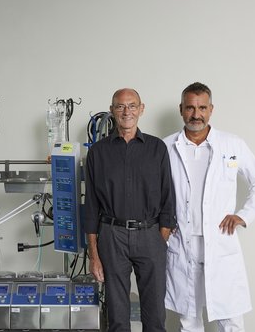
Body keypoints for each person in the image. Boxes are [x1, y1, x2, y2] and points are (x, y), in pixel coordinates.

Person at [164, 82, 255, 332]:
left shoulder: (232, 144)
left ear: (211, 109)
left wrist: (243, 216)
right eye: (190, 108)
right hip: (182, 243)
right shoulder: (166, 147)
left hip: (220, 242)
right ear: (181, 109)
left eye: (202, 107)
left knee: (230, 316)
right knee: (189, 319)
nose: (196, 114)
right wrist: (164, 225)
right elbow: (153, 192)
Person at [85, 88, 177, 332]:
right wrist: (94, 255)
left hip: (151, 234)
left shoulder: (157, 149)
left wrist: (161, 238)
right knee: (116, 315)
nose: (127, 111)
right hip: (112, 236)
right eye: (120, 106)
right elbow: (91, 206)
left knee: (155, 314)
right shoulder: (98, 152)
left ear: (141, 109)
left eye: (132, 105)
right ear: (112, 110)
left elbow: (169, 196)